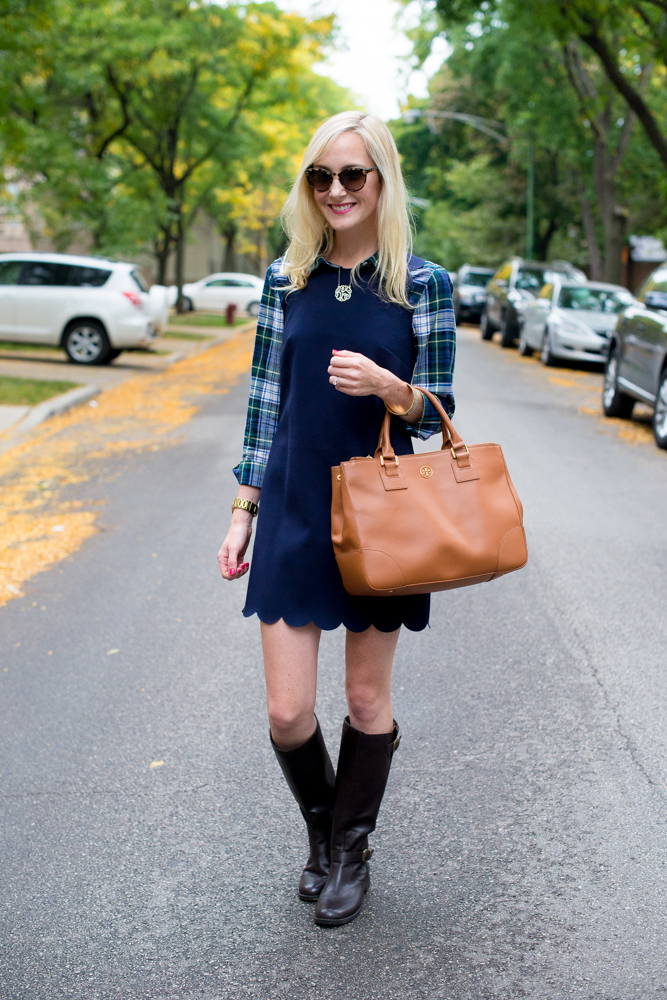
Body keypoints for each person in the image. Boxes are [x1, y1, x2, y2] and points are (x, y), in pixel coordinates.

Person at [217, 110, 455, 927]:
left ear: (380, 180)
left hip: (382, 513)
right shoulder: (284, 281)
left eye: (352, 174)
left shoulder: (422, 283)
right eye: (320, 176)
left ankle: (350, 853)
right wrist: (242, 510)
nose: (336, 190)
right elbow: (261, 405)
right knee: (286, 710)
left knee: (362, 699)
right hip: (291, 503)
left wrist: (391, 388)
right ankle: (323, 835)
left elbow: (439, 410)